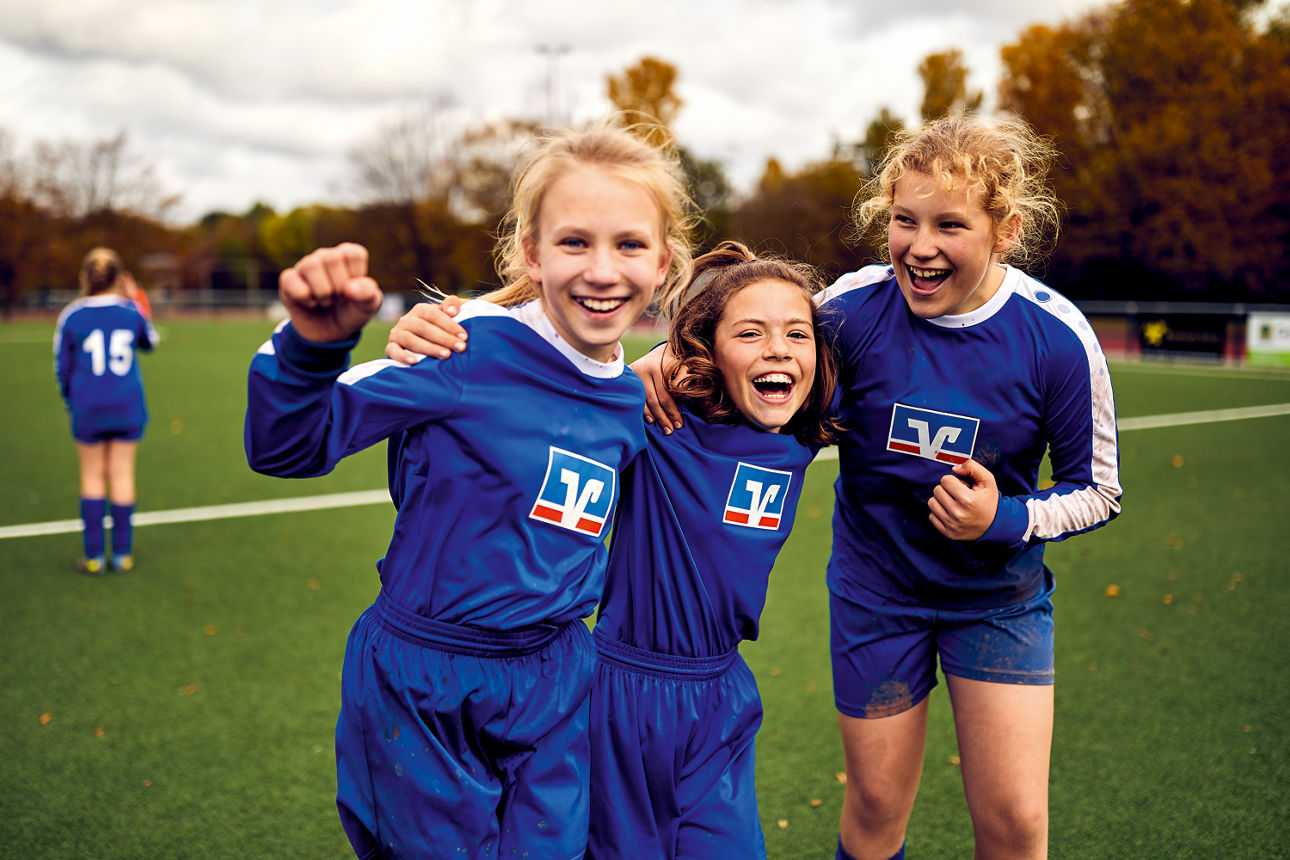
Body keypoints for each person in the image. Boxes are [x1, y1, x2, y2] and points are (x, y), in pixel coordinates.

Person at [636, 116, 1123, 860]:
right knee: (873, 808)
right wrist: (659, 362)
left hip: (998, 603)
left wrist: (1005, 517)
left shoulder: (1056, 338)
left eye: (949, 225)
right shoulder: (852, 311)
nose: (919, 246)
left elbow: (1098, 492)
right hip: (876, 596)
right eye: (904, 220)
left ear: (1006, 229)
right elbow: (760, 345)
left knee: (1016, 823)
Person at [245, 123, 696, 860]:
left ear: (663, 262)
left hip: (555, 680)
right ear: (531, 251)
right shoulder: (459, 348)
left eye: (630, 245)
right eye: (575, 242)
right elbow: (287, 448)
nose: (603, 270)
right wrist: (311, 348)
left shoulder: (629, 396)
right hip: (425, 683)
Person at [386, 240, 840, 858]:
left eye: (797, 333)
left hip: (724, 696)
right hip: (622, 696)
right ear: (707, 350)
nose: (779, 349)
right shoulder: (659, 423)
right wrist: (448, 327)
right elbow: (555, 382)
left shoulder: (804, 435)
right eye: (751, 333)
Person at [54, 247, 158, 575]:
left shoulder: (72, 315)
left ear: (85, 276)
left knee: (92, 476)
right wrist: (136, 297)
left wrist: (72, 402)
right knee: (122, 474)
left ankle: (94, 557)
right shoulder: (131, 312)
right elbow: (150, 342)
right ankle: (122, 555)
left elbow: (62, 367)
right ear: (119, 277)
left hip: (88, 408)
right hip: (127, 406)